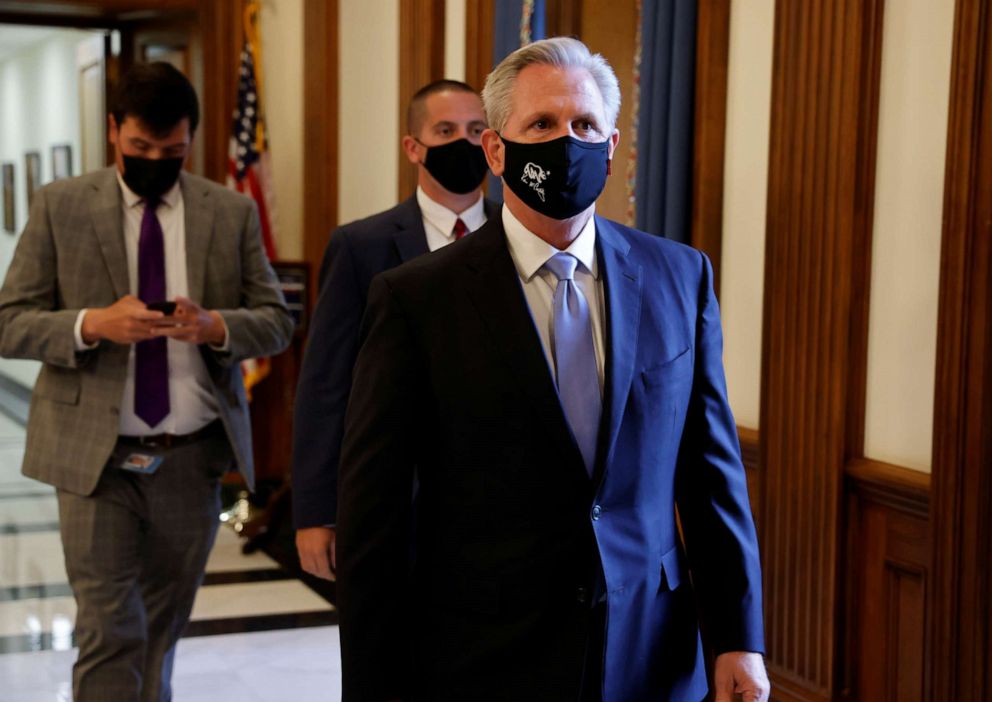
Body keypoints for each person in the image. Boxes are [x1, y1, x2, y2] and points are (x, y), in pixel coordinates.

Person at [336, 37, 769, 702]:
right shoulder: (416, 299)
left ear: (613, 143)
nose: (566, 142)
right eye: (541, 124)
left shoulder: (680, 278)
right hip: (485, 656)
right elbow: (377, 516)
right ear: (496, 150)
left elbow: (711, 476)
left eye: (584, 126)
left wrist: (739, 637)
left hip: (649, 652)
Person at [0, 62, 293, 701]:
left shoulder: (230, 211)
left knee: (161, 628)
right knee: (110, 628)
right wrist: (90, 325)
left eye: (172, 150)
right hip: (95, 460)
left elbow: (276, 322)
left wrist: (215, 325)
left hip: (190, 459)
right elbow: (9, 322)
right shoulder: (61, 205)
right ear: (113, 132)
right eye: (140, 148)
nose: (156, 160)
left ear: (191, 139)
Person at [291, 79, 497, 581]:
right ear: (413, 147)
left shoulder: (517, 236)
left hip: (496, 496)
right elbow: (326, 383)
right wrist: (316, 512)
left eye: (475, 130)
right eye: (445, 130)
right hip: (393, 497)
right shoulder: (362, 246)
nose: (462, 144)